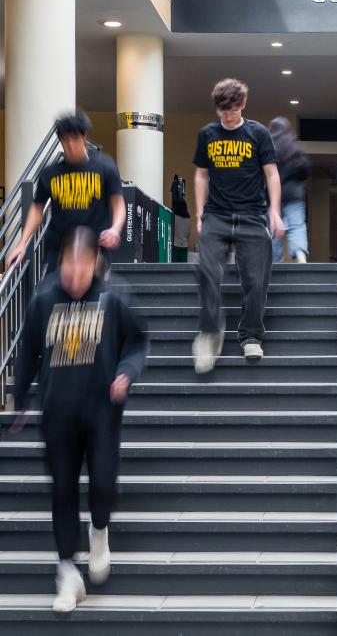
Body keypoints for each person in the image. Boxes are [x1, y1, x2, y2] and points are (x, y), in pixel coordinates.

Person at [11, 227, 148, 613]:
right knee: (63, 491)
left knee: (103, 484)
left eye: (81, 269)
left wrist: (126, 372)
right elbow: (28, 351)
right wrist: (20, 398)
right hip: (57, 415)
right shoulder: (43, 300)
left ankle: (99, 531)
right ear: (60, 265)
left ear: (94, 264)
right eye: (67, 269)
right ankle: (67, 572)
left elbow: (137, 342)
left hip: (101, 413)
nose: (73, 278)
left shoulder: (114, 297)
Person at [192, 78, 284, 372]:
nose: (227, 117)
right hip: (216, 215)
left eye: (232, 110)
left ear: (242, 104)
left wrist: (275, 211)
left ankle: (251, 335)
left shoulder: (257, 133)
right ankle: (209, 332)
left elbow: (271, 174)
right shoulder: (207, 133)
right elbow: (201, 175)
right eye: (222, 111)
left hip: (252, 214)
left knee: (256, 280)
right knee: (206, 270)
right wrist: (199, 214)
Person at [7, 112, 125, 277]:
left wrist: (115, 229)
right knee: (49, 298)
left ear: (85, 138)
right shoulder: (50, 174)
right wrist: (21, 244)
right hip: (58, 251)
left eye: (74, 138)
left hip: (94, 250)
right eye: (65, 139)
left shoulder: (104, 166)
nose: (69, 144)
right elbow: (37, 209)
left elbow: (118, 203)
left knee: (94, 300)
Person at [269, 117, 311, 263]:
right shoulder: (295, 148)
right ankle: (300, 255)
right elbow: (305, 169)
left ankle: (275, 261)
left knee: (273, 228)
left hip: (273, 195)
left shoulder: (269, 148)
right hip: (294, 195)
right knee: (297, 226)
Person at [172, 197, 191, 263]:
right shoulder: (188, 218)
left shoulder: (173, 217)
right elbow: (188, 233)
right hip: (184, 245)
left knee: (174, 268)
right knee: (183, 268)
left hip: (175, 245)